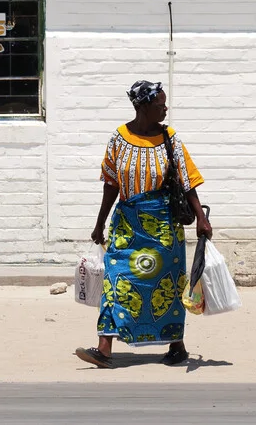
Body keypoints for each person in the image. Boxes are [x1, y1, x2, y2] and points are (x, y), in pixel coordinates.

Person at [75, 80, 211, 368]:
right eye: (160, 104)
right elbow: (110, 184)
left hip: (164, 228)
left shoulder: (170, 138)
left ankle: (177, 346)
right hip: (127, 225)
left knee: (168, 286)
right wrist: (99, 224)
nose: (165, 108)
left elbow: (188, 181)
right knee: (115, 281)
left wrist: (201, 217)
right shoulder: (118, 138)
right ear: (144, 106)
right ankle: (104, 348)